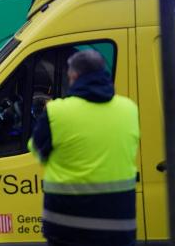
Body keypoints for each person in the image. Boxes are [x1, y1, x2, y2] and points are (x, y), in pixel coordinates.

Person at [29, 49, 140, 246]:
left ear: (73, 76)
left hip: (68, 228)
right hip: (119, 226)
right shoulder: (129, 109)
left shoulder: (57, 112)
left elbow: (38, 151)